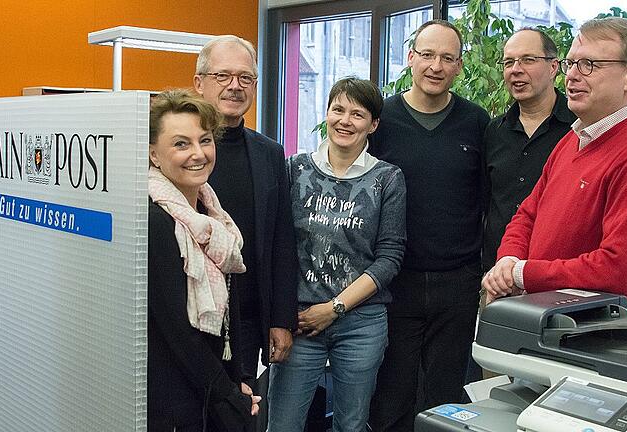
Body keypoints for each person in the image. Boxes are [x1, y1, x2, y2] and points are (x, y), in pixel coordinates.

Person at [482, 17, 627, 315]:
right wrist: (508, 260)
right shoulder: (573, 139)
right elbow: (527, 215)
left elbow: (616, 269)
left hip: (585, 337)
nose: (571, 75)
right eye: (571, 63)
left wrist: (523, 273)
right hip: (533, 318)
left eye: (589, 65)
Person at [368, 19, 490, 431]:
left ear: (459, 66)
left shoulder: (476, 122)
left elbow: (488, 197)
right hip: (392, 282)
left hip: (457, 282)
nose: (435, 66)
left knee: (446, 396)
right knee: (391, 394)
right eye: (427, 55)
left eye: (447, 58)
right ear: (410, 59)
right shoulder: (380, 119)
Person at [267, 77, 406, 432]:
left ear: (373, 124)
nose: (345, 120)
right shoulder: (293, 170)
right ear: (326, 113)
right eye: (338, 110)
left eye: (357, 114)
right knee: (282, 425)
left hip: (361, 325)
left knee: (352, 426)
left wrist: (334, 309)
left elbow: (389, 257)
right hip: (298, 322)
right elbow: (277, 245)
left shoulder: (387, 179)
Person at [147, 89, 261, 431]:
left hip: (210, 385)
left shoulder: (210, 214)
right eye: (181, 144)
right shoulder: (155, 220)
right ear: (154, 155)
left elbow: (229, 306)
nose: (198, 154)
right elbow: (176, 331)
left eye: (205, 140)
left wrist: (237, 378)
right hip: (174, 398)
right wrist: (227, 397)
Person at [193, 36, 298, 388]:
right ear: (199, 83)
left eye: (245, 78)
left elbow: (282, 240)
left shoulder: (269, 153)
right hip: (190, 316)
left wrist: (280, 319)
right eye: (222, 76)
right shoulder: (175, 152)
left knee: (242, 410)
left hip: (249, 318)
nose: (234, 87)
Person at [482, 28, 576, 273]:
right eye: (509, 62)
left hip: (555, 273)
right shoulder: (494, 130)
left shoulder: (579, 128)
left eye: (528, 60)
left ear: (554, 67)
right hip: (497, 272)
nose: (516, 69)